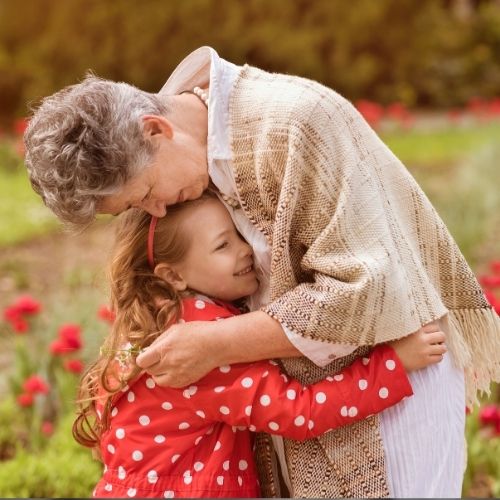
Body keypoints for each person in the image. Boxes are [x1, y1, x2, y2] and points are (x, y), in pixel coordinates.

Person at [24, 46, 499, 497]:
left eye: (147, 192)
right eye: (136, 206)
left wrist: (214, 345)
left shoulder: (294, 124)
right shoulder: (189, 165)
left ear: (156, 130)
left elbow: (361, 293)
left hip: (394, 381)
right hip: (308, 405)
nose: (156, 210)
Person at [74, 193, 445, 498]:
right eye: (223, 245)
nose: (245, 250)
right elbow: (301, 412)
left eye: (238, 234)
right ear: (173, 275)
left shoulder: (155, 322)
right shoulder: (202, 346)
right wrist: (393, 364)